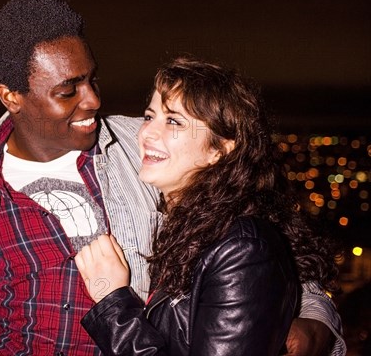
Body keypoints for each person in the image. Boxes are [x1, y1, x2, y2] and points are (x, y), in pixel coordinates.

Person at [0, 0, 344, 355]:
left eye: (91, 79)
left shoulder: (144, 147)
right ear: (11, 97)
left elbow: (260, 238)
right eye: (68, 91)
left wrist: (316, 322)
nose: (95, 100)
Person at [75, 57, 346, 355]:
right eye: (150, 116)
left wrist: (112, 302)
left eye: (174, 121)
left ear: (219, 150)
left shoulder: (242, 247)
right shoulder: (189, 229)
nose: (146, 132)